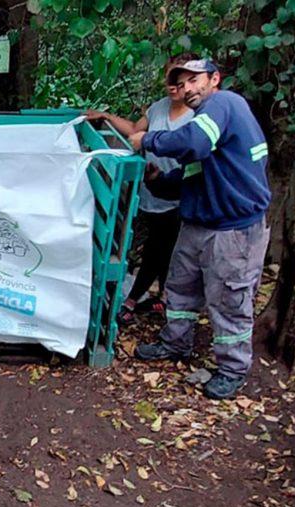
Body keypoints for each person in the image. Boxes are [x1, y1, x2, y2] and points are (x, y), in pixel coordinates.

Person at [128, 59, 271, 400]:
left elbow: (192, 144)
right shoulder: (209, 121)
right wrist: (158, 181)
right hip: (198, 223)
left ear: (214, 79)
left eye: (195, 80)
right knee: (179, 288)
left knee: (229, 300)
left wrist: (147, 139)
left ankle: (232, 370)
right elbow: (192, 175)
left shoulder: (224, 104)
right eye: (182, 83)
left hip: (233, 230)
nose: (188, 88)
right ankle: (174, 343)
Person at [86, 53, 198, 324]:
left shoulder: (198, 114)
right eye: (170, 78)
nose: (174, 86)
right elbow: (136, 131)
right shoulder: (158, 108)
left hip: (178, 193)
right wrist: (106, 116)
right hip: (151, 190)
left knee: (160, 246)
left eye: (181, 80)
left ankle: (134, 298)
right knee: (162, 245)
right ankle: (162, 296)